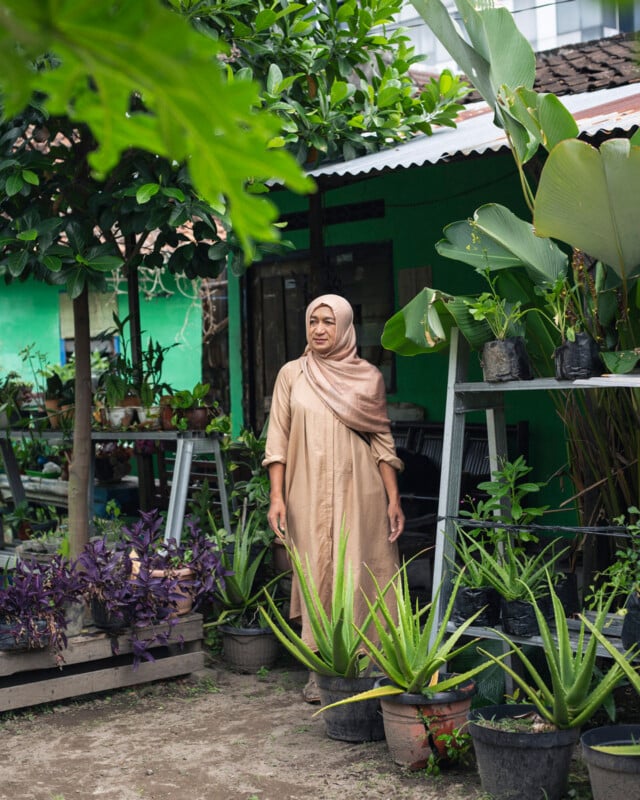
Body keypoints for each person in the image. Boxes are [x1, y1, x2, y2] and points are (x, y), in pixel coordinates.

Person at [263, 293, 405, 703]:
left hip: (359, 489)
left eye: (328, 321)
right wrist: (277, 496)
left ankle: (367, 664)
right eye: (313, 321)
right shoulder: (293, 374)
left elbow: (383, 443)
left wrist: (393, 500)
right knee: (315, 570)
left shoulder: (369, 377)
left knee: (361, 570)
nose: (320, 329)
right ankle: (319, 670)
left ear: (344, 327)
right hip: (305, 489)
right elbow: (278, 438)